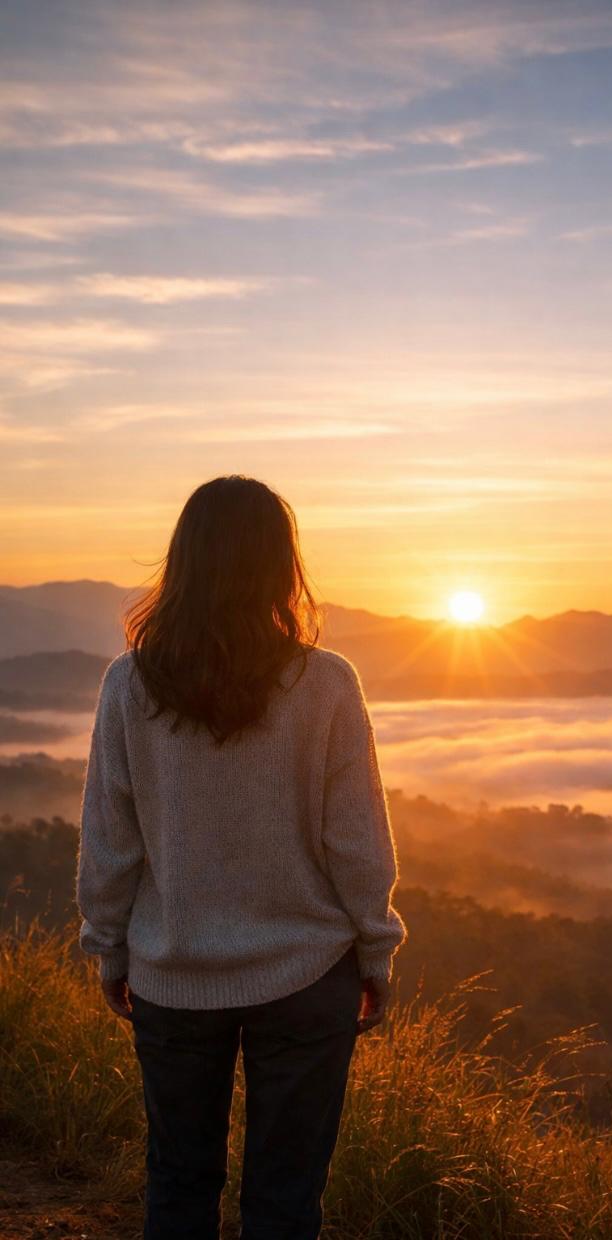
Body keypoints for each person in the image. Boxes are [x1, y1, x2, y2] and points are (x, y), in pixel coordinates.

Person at [74, 474, 408, 1240]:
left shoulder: (130, 684)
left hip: (172, 972)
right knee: (286, 1200)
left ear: (183, 562)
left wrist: (111, 947)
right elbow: (355, 839)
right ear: (280, 567)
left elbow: (110, 839)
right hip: (307, 974)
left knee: (180, 1182)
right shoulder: (325, 683)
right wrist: (375, 950)